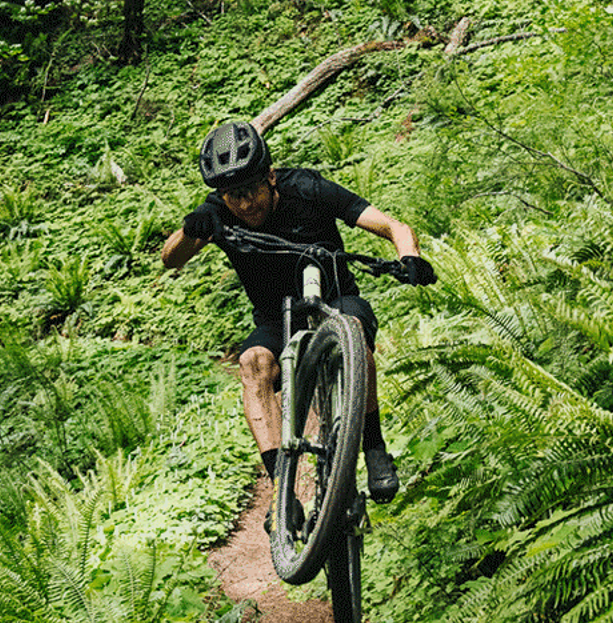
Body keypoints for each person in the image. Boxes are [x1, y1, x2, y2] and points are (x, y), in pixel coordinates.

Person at [161, 120, 435, 506]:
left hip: (335, 298)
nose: (245, 203)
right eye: (233, 195)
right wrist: (192, 231)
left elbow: (392, 226)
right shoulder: (217, 211)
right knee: (253, 363)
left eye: (252, 189)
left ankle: (373, 447)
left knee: (351, 329)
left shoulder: (307, 188)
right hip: (276, 319)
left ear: (270, 176)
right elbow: (171, 258)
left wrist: (410, 257)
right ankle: (281, 490)